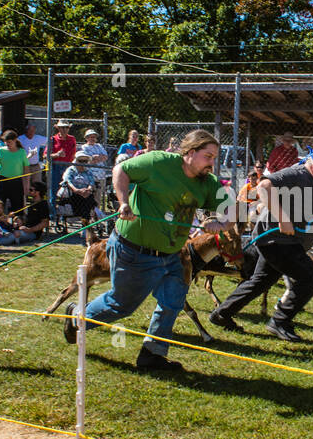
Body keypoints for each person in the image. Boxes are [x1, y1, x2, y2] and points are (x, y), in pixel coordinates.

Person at [67, 129, 228, 371]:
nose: (212, 163)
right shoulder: (158, 163)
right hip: (133, 251)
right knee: (120, 305)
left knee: (173, 300)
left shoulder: (207, 183)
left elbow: (231, 205)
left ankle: (152, 354)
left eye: (214, 157)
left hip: (172, 254)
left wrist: (222, 222)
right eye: (208, 156)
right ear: (191, 153)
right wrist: (123, 202)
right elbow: (121, 171)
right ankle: (77, 317)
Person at [209, 146, 313, 344]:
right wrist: (282, 218)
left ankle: (221, 314)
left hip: (290, 241)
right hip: (276, 239)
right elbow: (263, 186)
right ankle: (280, 321)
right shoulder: (297, 174)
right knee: (311, 278)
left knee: (261, 281)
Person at [0, 182, 50, 246]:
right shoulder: (31, 203)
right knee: (2, 229)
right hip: (22, 228)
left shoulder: (43, 204)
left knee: (12, 236)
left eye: (31, 190)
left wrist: (30, 230)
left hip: (33, 233)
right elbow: (26, 218)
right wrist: (18, 219)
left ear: (38, 192)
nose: (29, 192)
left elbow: (45, 223)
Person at [59, 152, 99, 244]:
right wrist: (77, 190)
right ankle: (85, 224)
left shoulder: (88, 172)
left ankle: (84, 226)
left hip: (85, 194)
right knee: (85, 200)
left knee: (88, 200)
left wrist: (88, 190)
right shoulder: (71, 170)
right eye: (81, 161)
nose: (83, 163)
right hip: (72, 193)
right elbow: (68, 181)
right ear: (76, 161)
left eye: (85, 161)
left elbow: (91, 183)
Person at [0, 130, 29, 212]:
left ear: (15, 140)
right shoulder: (0, 150)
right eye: (6, 142)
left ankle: (17, 223)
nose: (7, 144)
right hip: (2, 181)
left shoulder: (21, 152)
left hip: (16, 182)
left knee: (17, 207)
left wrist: (26, 186)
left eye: (9, 142)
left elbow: (26, 170)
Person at [48, 119, 77, 187]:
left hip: (69, 167)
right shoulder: (53, 139)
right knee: (55, 188)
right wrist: (57, 155)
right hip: (56, 168)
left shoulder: (72, 139)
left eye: (67, 127)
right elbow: (45, 155)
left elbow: (74, 154)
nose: (65, 129)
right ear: (58, 128)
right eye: (62, 127)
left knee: (69, 189)